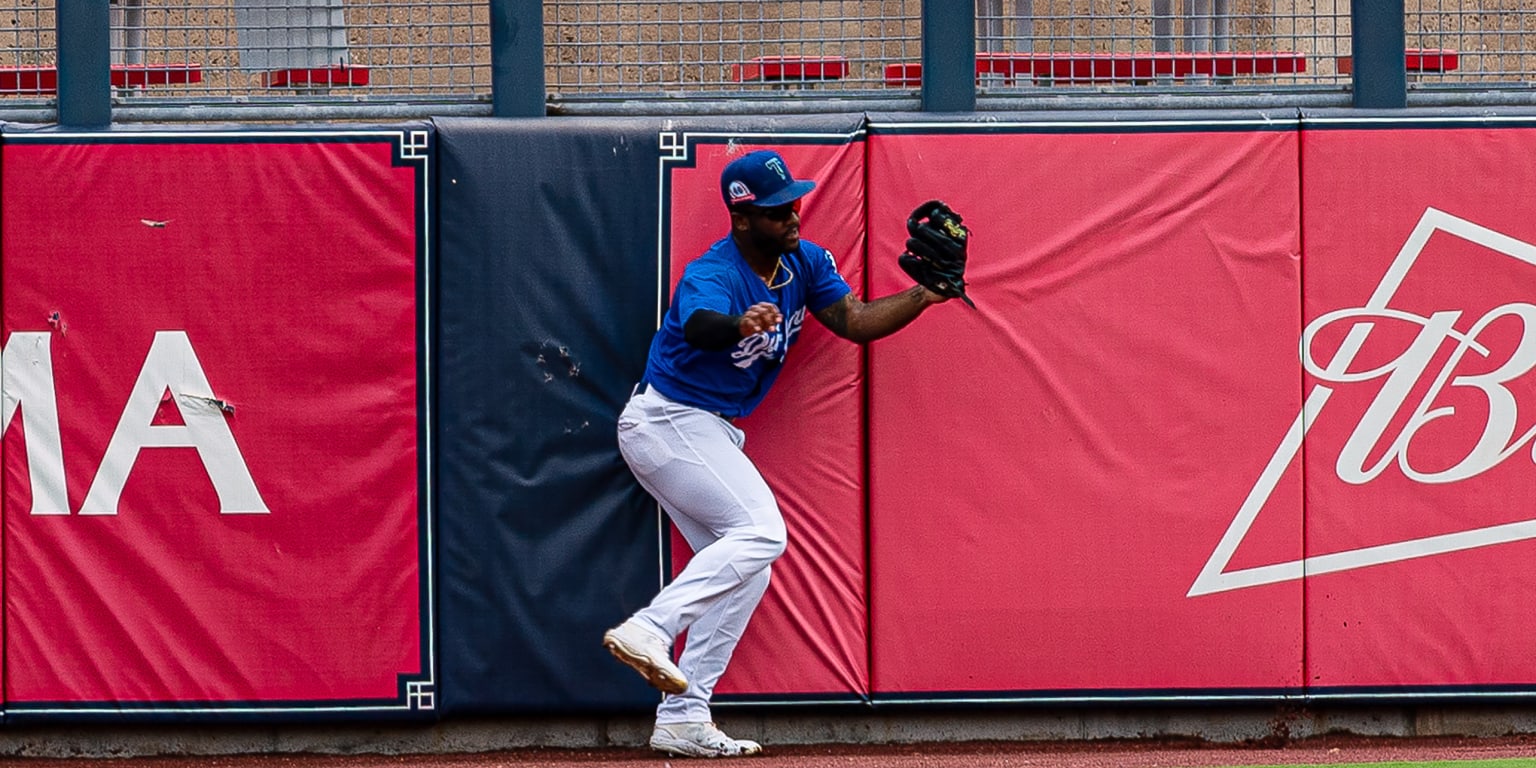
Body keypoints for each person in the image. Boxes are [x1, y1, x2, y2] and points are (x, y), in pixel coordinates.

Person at [604, 149, 954, 758]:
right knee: (764, 531)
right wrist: (740, 326)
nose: (792, 215)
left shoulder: (806, 261)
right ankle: (650, 628)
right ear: (742, 219)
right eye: (775, 210)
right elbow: (698, 327)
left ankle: (684, 716)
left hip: (703, 429)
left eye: (792, 202)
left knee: (748, 563)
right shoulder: (714, 271)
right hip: (667, 419)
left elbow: (854, 320)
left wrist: (922, 296)